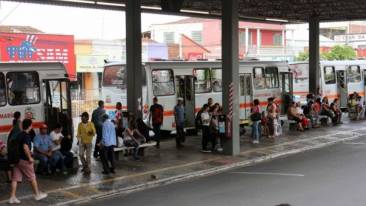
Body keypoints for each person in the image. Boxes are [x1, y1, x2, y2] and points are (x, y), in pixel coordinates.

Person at [9, 119, 47, 204]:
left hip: (17, 160)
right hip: (24, 160)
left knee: (15, 178)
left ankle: (12, 197)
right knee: (32, 177)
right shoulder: (26, 135)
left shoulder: (19, 134)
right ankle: (37, 194)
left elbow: (20, 147)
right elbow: (25, 147)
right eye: (31, 125)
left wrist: (29, 152)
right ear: (30, 126)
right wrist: (30, 157)